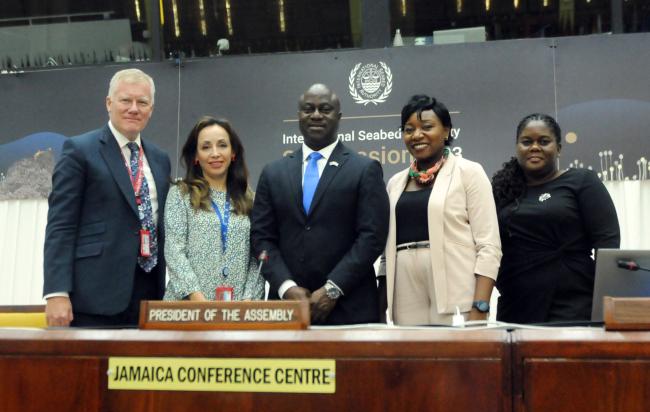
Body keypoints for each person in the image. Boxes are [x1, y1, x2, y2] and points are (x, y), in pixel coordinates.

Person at [250, 83, 389, 325]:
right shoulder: (273, 173)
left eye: (325, 109)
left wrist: (333, 288)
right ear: (299, 116)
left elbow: (372, 237)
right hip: (287, 309)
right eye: (308, 109)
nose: (316, 115)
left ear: (339, 117)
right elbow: (261, 238)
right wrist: (286, 287)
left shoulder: (364, 169)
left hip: (350, 308)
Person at [43, 68, 171, 327]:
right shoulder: (79, 150)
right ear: (109, 103)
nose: (134, 108)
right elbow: (61, 225)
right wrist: (56, 293)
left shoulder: (160, 159)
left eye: (142, 102)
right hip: (93, 297)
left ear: (151, 110)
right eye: (126, 100)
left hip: (149, 295)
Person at [381, 95, 502, 325]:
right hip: (405, 296)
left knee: (457, 360)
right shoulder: (395, 183)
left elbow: (489, 246)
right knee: (412, 359)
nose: (417, 135)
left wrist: (481, 306)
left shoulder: (469, 173)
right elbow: (385, 255)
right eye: (409, 129)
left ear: (446, 131)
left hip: (457, 293)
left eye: (427, 127)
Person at [492, 113, 620, 323]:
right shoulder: (502, 191)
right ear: (517, 147)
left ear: (558, 148)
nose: (535, 147)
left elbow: (608, 243)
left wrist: (603, 302)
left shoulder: (581, 181)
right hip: (517, 303)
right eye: (527, 142)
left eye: (544, 141)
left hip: (574, 301)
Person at [164, 116, 264, 301]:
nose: (215, 153)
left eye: (222, 145)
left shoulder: (249, 198)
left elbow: (256, 257)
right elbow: (174, 252)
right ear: (195, 156)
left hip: (236, 312)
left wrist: (248, 300)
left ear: (233, 152)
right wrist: (197, 299)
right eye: (206, 147)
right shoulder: (180, 194)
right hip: (188, 308)